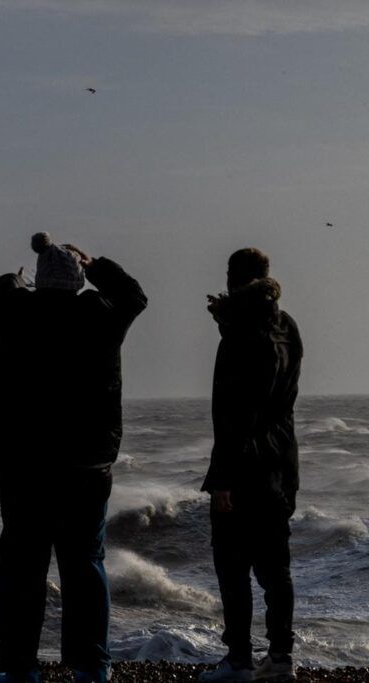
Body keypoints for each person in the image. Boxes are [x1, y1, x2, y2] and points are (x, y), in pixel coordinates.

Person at [0, 232, 147, 683]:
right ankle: (91, 667)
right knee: (84, 567)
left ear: (40, 282)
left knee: (22, 568)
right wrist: (94, 264)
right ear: (78, 281)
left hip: (25, 467)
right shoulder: (102, 316)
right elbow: (134, 295)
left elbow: (3, 292)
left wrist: (17, 278)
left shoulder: (16, 314)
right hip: (86, 466)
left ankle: (19, 669)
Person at [198, 248, 303, 683]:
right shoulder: (285, 325)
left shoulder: (241, 336)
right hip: (281, 462)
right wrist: (229, 320)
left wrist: (222, 479)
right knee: (276, 570)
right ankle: (280, 658)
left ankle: (239, 660)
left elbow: (235, 412)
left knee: (233, 568)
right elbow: (273, 389)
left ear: (232, 279)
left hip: (243, 467)